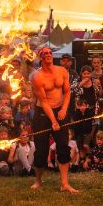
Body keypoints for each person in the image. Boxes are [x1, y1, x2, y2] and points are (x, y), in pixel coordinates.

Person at [31, 47, 76, 192]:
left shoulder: (62, 71)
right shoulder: (37, 77)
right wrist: (53, 121)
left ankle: (64, 184)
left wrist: (63, 109)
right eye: (45, 53)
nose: (49, 55)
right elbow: (43, 101)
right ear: (41, 58)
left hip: (60, 110)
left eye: (50, 52)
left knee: (63, 146)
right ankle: (38, 181)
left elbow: (67, 91)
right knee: (41, 150)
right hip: (43, 113)